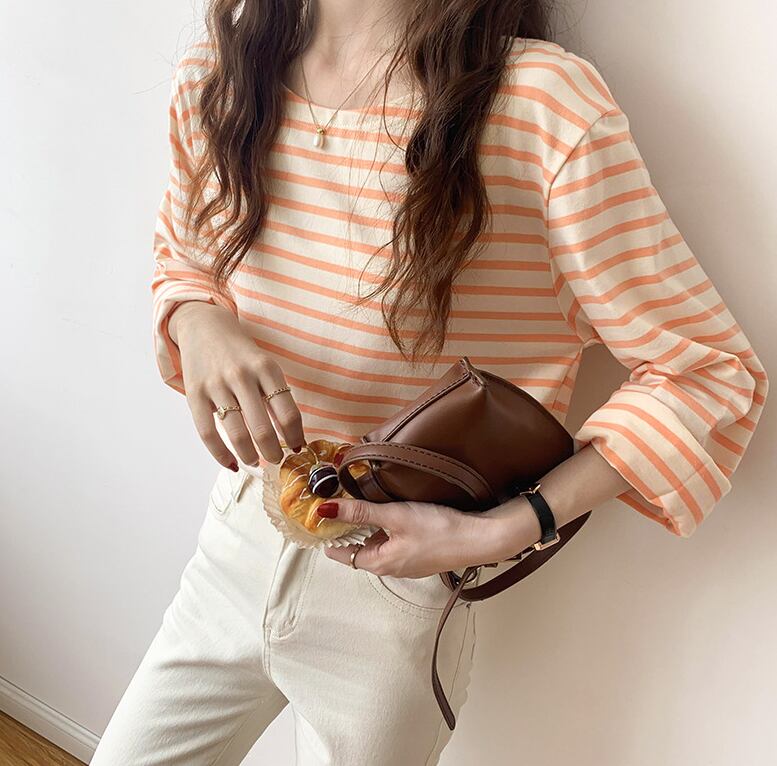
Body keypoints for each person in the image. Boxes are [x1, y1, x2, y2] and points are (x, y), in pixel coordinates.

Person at [90, 0, 768, 763]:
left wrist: (504, 528)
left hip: (401, 585)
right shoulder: (220, 73)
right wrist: (196, 319)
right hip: (241, 530)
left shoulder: (540, 105)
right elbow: (183, 257)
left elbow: (706, 372)